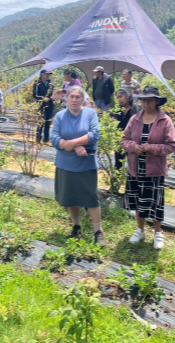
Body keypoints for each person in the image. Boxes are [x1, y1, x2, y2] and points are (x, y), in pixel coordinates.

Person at [121, 86, 175, 250]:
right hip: (136, 168)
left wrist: (152, 148)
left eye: (150, 100)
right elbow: (124, 140)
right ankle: (140, 229)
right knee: (139, 200)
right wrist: (133, 147)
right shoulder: (135, 119)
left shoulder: (164, 120)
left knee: (155, 203)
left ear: (157, 102)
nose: (146, 103)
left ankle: (158, 233)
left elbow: (171, 145)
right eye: (143, 100)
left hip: (154, 170)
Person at [50, 86, 105, 245]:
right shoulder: (60, 116)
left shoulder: (90, 114)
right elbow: (54, 139)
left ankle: (98, 231)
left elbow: (94, 134)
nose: (74, 100)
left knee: (90, 198)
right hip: (66, 164)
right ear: (66, 99)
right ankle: (76, 227)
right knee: (71, 197)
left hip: (85, 164)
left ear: (83, 99)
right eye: (71, 97)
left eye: (77, 97)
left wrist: (72, 143)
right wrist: (75, 147)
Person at [112, 88, 141, 170]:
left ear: (127, 96)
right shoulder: (118, 110)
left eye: (121, 96)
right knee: (118, 166)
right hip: (120, 140)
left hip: (132, 141)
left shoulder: (136, 109)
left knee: (133, 165)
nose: (119, 99)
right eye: (117, 98)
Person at [33, 68, 55, 143]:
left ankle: (46, 139)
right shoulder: (37, 84)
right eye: (46, 74)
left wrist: (53, 97)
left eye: (49, 74)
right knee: (41, 123)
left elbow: (53, 94)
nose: (48, 76)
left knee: (48, 123)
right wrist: (43, 98)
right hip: (41, 106)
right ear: (42, 75)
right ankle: (38, 139)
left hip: (50, 106)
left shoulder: (51, 85)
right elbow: (35, 95)